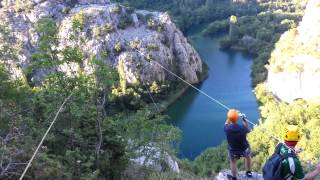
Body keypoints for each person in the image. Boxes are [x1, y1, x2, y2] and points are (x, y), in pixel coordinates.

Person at [224, 109, 252, 180]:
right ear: (237, 118)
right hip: (244, 148)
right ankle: (248, 172)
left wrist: (230, 117)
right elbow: (248, 129)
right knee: (248, 157)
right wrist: (244, 119)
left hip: (233, 150)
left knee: (233, 162)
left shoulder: (227, 128)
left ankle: (234, 177)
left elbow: (226, 122)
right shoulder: (242, 128)